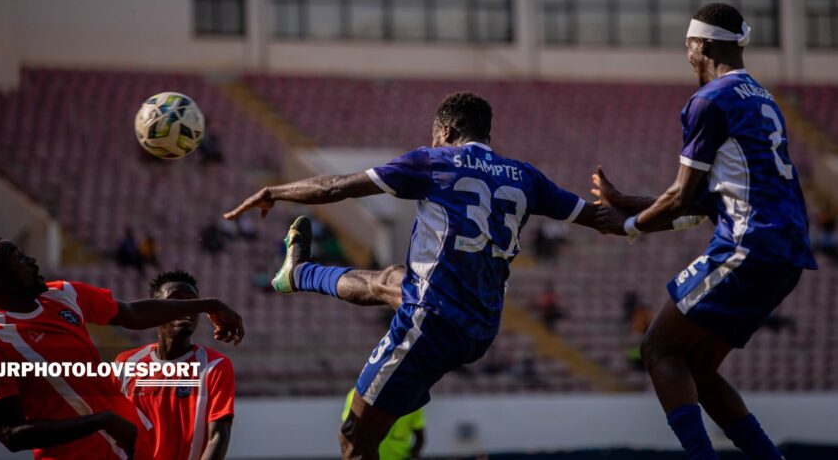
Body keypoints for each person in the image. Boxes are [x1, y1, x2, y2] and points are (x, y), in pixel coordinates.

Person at [224, 91, 613, 458]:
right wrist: (670, 209)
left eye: (434, 134)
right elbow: (600, 217)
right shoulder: (524, 176)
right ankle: (300, 273)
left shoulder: (434, 161)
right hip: (480, 327)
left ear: (444, 131)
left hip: (431, 323)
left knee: (354, 438)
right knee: (393, 279)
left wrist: (274, 192)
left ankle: (301, 274)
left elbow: (334, 187)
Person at [591, 3, 818, 460]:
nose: (687, 56)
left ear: (703, 44)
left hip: (748, 245)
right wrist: (626, 202)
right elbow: (703, 200)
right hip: (786, 253)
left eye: (689, 47)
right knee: (699, 369)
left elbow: (680, 198)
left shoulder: (709, 100)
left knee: (657, 349)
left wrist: (631, 226)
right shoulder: (761, 96)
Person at [0, 237, 244, 459]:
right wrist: (100, 421)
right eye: (18, 258)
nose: (31, 261)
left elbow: (133, 314)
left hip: (132, 453)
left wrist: (209, 304)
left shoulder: (63, 295)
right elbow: (10, 433)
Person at [115, 270, 235, 460]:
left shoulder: (215, 366)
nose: (185, 309)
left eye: (192, 302)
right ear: (156, 311)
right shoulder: (126, 364)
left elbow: (218, 437)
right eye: (176, 301)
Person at [342, 388, 424, 460]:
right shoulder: (358, 395)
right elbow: (348, 433)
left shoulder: (412, 400)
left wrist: (414, 455)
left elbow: (419, 437)